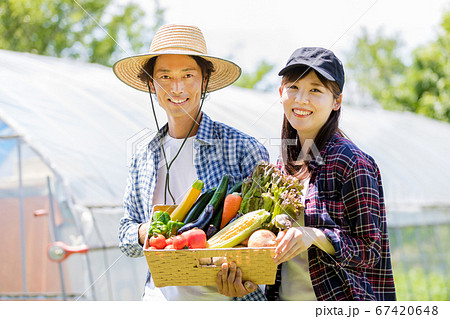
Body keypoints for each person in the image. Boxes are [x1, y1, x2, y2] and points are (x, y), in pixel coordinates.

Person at [114, 24, 269, 301]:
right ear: (152, 84)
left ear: (204, 81)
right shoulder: (143, 158)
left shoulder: (243, 149)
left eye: (188, 75)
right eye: (165, 76)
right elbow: (126, 233)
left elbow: (266, 240)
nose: (176, 87)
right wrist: (145, 232)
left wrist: (248, 282)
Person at [268, 47, 396, 300]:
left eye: (315, 90)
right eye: (293, 87)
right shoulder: (282, 167)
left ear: (336, 101)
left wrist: (316, 236)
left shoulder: (351, 162)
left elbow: (370, 251)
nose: (301, 99)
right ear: (281, 93)